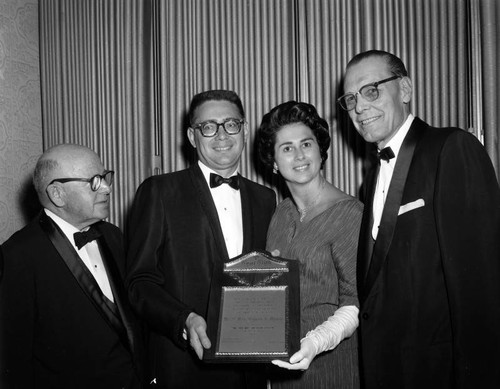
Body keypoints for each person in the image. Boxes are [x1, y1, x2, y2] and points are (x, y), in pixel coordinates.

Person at [338, 49, 500, 388]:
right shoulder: (369, 180)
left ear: (406, 90)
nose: (360, 107)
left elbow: (481, 288)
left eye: (371, 90)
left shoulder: (452, 148)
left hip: (438, 372)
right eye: (351, 99)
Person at [126, 89, 276, 388]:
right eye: (208, 127)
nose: (221, 135)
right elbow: (139, 284)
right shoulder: (159, 191)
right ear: (193, 137)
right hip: (185, 368)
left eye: (230, 124)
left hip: (251, 370)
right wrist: (184, 319)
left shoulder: (265, 198)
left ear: (244, 131)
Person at [0, 144, 145, 389]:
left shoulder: (113, 236)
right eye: (94, 181)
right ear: (57, 194)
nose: (108, 188)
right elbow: (13, 363)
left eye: (106, 177)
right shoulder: (17, 256)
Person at [257, 101, 362, 389]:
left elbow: (356, 303)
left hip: (332, 361)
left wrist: (315, 343)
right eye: (287, 148)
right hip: (284, 367)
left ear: (320, 151)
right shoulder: (280, 213)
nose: (300, 155)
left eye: (306, 144)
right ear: (275, 163)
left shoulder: (350, 213)